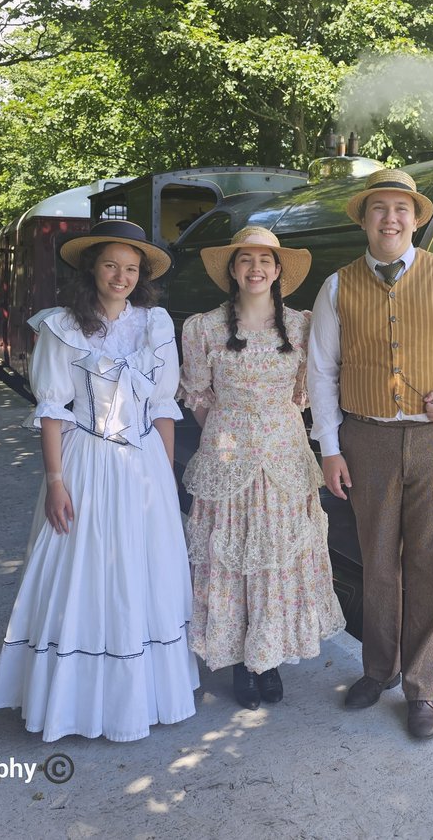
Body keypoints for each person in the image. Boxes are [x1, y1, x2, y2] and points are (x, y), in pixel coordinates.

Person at [0, 220, 199, 742]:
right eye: (111, 265)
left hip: (144, 462)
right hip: (84, 460)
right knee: (79, 569)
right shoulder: (62, 326)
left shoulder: (156, 324)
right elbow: (54, 409)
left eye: (131, 268)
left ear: (140, 276)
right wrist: (55, 480)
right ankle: (72, 701)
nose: (121, 276)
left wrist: (166, 476)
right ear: (92, 269)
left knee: (142, 566)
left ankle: (138, 697)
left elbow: (164, 405)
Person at [307, 169, 433, 739]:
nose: (390, 219)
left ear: (415, 218)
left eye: (401, 209)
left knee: (430, 565)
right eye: (379, 209)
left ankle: (421, 690)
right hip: (366, 439)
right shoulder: (337, 287)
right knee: (377, 561)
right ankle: (378, 670)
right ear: (364, 219)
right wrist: (331, 449)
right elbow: (321, 373)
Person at [179, 226, 345, 710]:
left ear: (278, 272)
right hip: (228, 441)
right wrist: (232, 438)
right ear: (232, 269)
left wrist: (269, 427)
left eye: (265, 261)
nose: (256, 269)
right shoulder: (203, 328)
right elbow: (198, 395)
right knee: (230, 549)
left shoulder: (302, 326)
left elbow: (305, 393)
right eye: (246, 260)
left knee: (276, 551)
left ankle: (267, 657)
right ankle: (236, 660)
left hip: (286, 449)